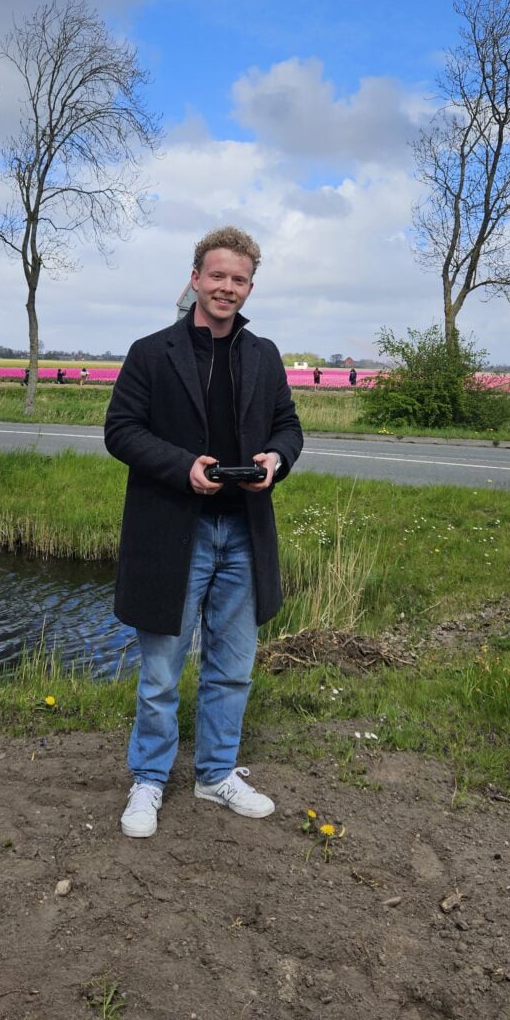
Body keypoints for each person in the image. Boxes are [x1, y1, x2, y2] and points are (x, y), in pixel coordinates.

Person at [104, 225, 304, 838]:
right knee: (161, 674)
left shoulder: (264, 355)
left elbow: (288, 426)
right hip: (174, 534)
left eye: (239, 279)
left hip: (243, 533)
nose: (227, 287)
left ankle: (216, 774)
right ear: (195, 279)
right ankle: (149, 779)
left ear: (250, 288)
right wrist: (182, 467)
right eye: (217, 276)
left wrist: (275, 460)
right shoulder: (150, 352)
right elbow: (121, 431)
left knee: (233, 668)